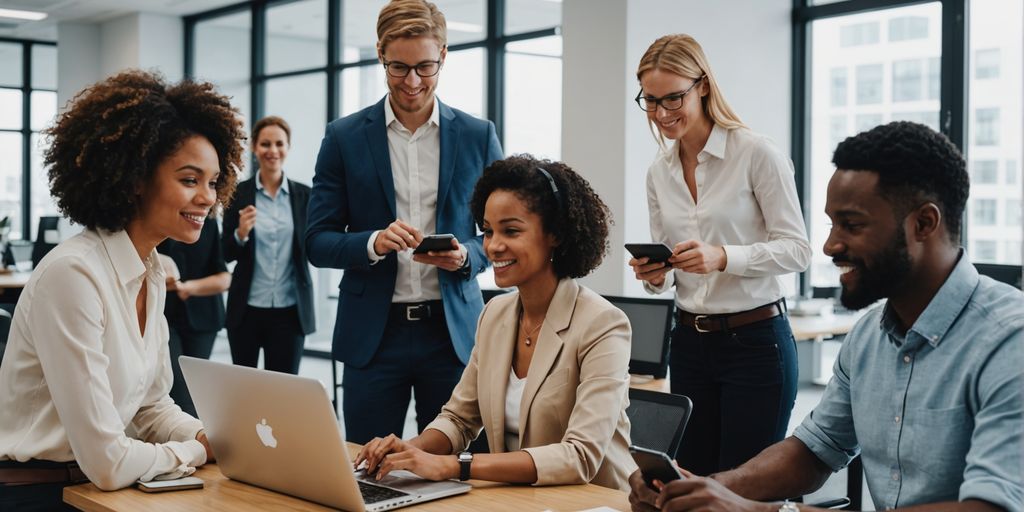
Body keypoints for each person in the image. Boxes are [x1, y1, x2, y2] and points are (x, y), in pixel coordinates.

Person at [629, 122, 1024, 512]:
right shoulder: (869, 337)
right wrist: (705, 491)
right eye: (831, 224)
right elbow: (815, 450)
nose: (830, 245)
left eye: (851, 225)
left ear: (924, 223)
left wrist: (764, 511)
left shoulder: (1009, 340)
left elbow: (991, 506)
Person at [0, 69, 244, 510]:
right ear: (134, 179)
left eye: (212, 182)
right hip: (39, 493)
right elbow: (108, 463)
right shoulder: (74, 274)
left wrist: (207, 435)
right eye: (190, 180)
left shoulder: (152, 271)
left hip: (97, 488)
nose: (208, 197)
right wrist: (194, 452)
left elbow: (150, 407)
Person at [355, 155, 637, 491]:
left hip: (592, 501)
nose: (493, 245)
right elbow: (459, 419)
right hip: (519, 499)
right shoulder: (495, 314)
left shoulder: (603, 323)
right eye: (487, 231)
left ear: (555, 235)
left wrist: (452, 466)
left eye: (511, 230)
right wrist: (408, 451)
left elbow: (580, 456)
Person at [306, 0, 502, 443]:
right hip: (374, 339)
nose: (412, 81)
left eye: (424, 67)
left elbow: (502, 232)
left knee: (461, 469)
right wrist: (373, 242)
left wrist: (467, 256)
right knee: (370, 470)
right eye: (398, 67)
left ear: (444, 56)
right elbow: (316, 242)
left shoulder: (478, 135)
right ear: (380, 54)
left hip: (453, 335)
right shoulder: (343, 137)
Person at [628, 34, 812, 475]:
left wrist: (724, 257)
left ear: (704, 85)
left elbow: (798, 251)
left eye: (674, 97)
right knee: (691, 479)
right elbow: (671, 272)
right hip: (689, 343)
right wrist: (656, 273)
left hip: (755, 343)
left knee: (742, 484)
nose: (661, 113)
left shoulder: (755, 153)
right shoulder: (659, 172)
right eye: (650, 101)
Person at [222, 116, 315, 375]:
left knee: (283, 391)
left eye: (279, 144)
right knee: (245, 388)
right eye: (265, 144)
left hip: (290, 311)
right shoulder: (237, 194)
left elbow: (315, 246)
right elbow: (225, 253)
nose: (272, 151)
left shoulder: (305, 196)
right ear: (254, 147)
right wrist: (240, 233)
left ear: (288, 147)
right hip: (246, 311)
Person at [157, 217, 230, 417]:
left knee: (195, 389)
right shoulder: (157, 219)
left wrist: (187, 287)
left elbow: (224, 277)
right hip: (163, 316)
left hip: (204, 319)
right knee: (177, 389)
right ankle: (192, 443)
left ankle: (195, 442)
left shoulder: (209, 222)